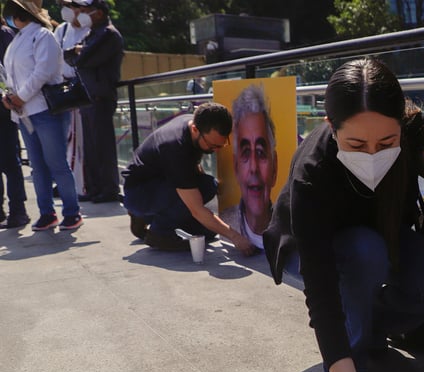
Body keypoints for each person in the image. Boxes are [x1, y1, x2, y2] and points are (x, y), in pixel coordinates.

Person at [263, 58, 424, 372]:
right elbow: (321, 298)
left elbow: (419, 145)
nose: (372, 155)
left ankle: (368, 328)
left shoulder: (410, 129)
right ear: (331, 125)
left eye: (387, 143)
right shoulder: (311, 175)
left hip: (379, 231)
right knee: (362, 252)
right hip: (323, 247)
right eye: (356, 145)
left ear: (399, 127)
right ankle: (350, 357)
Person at [122, 102, 255, 256]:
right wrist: (235, 236)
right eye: (213, 145)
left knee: (208, 188)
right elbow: (196, 209)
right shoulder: (175, 148)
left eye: (222, 144)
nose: (217, 150)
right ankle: (160, 234)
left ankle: (147, 216)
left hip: (159, 184)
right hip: (138, 193)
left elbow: (194, 167)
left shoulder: (194, 122)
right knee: (201, 193)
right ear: (195, 130)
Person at [2, 0, 82, 231]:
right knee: (37, 165)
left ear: (18, 15)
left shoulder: (43, 36)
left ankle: (71, 212)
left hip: (44, 110)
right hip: (25, 112)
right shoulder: (18, 39)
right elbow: (12, 75)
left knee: (56, 163)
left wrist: (21, 96)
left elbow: (42, 72)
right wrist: (10, 97)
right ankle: (47, 212)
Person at [63, 0, 123, 203]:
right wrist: (78, 52)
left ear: (98, 13)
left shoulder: (108, 34)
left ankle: (108, 189)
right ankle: (95, 187)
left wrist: (79, 52)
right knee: (91, 147)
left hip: (100, 96)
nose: (82, 14)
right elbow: (70, 57)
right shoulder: (93, 34)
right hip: (88, 97)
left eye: (87, 11)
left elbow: (81, 59)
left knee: (102, 146)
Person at [220, 84, 276, 250]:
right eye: (245, 152)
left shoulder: (293, 227)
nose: (253, 167)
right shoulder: (225, 223)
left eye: (260, 152)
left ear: (275, 168)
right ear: (236, 168)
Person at [53, 0, 87, 199]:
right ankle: (68, 183)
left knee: (81, 140)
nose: (68, 9)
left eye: (72, 5)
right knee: (66, 139)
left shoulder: (89, 29)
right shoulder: (62, 30)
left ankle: (81, 185)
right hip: (64, 89)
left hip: (82, 90)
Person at [0, 19, 27, 228]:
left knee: (10, 161)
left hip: (5, 107)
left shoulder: (6, 35)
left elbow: (12, 71)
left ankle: (18, 210)